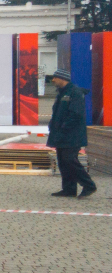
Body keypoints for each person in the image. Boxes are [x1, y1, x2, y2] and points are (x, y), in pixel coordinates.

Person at [47, 69, 96, 197]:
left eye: (55, 77)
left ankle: (89, 185)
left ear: (63, 78)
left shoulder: (75, 93)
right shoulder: (62, 93)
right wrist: (53, 125)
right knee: (63, 161)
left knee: (70, 160)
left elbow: (76, 114)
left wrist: (63, 127)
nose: (52, 80)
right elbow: (58, 112)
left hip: (72, 135)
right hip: (62, 134)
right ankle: (69, 189)